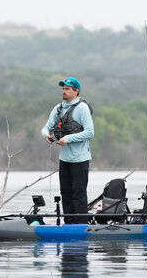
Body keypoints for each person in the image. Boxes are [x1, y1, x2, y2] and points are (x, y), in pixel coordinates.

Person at [41, 77, 94, 224]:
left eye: (67, 89)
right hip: (64, 160)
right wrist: (45, 134)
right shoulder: (57, 109)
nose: (64, 91)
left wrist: (68, 139)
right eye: (63, 89)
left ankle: (81, 224)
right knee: (66, 193)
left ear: (76, 91)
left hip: (80, 159)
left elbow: (90, 132)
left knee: (79, 193)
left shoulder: (82, 108)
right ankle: (69, 223)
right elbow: (46, 127)